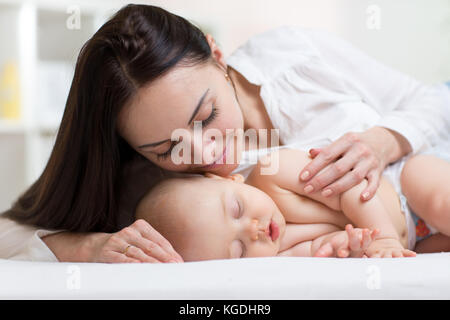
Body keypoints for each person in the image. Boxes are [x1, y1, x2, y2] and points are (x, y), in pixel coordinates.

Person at [0, 4, 449, 262]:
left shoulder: (293, 56)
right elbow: (9, 233)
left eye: (207, 114)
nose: (207, 153)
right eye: (170, 147)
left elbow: (437, 100)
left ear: (218, 56)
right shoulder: (157, 188)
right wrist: (93, 248)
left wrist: (383, 139)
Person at [135, 147, 450, 261]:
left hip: (404, 187)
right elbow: (326, 248)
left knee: (441, 203)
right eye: (237, 250)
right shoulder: (276, 254)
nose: (253, 230)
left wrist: (382, 236)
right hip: (412, 240)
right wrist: (351, 244)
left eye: (236, 210)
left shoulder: (275, 172)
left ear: (229, 180)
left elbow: (348, 187)